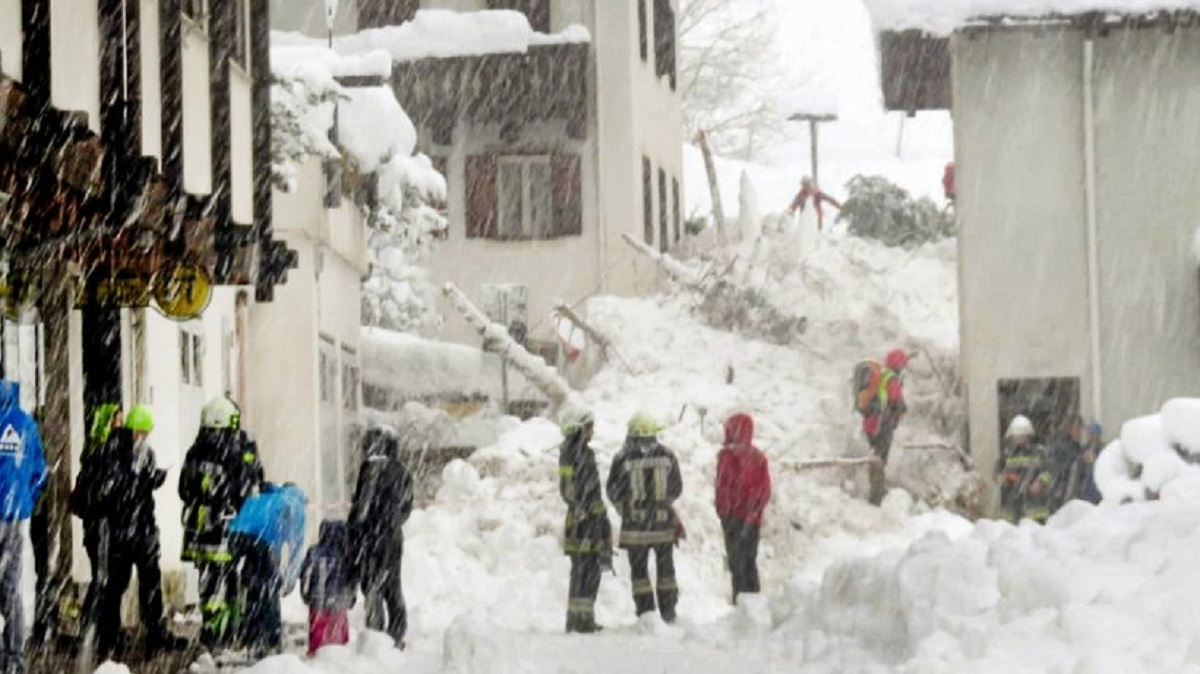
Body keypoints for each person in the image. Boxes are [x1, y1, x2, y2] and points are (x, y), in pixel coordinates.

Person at [79, 404, 184, 661]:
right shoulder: (131, 452)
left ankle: (110, 636)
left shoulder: (106, 450)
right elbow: (125, 490)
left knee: (116, 585)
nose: (145, 438)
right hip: (138, 530)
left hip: (120, 532)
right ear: (137, 430)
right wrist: (150, 480)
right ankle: (153, 635)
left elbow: (113, 489)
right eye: (144, 432)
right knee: (146, 584)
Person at [179, 395, 264, 651]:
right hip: (225, 529)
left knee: (209, 582)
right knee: (229, 579)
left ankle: (212, 628)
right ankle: (230, 630)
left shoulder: (195, 451)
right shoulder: (235, 450)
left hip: (198, 530)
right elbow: (249, 487)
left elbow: (183, 489)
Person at [606, 413, 682, 623]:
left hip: (635, 529)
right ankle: (668, 612)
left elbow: (613, 490)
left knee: (639, 573)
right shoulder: (668, 456)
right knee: (666, 571)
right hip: (662, 527)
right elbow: (676, 487)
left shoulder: (622, 458)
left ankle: (646, 612)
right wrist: (663, 504)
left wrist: (626, 508)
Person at [348, 428, 414, 648]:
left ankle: (376, 633)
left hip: (371, 534)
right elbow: (407, 506)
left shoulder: (371, 468)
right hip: (392, 535)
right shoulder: (403, 471)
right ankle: (397, 632)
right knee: (393, 584)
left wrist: (355, 529)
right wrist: (392, 520)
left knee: (371, 583)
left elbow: (361, 508)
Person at [227, 482, 306, 657]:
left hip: (239, 535)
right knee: (269, 589)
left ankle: (252, 637)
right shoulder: (297, 506)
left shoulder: (270, 498)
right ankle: (271, 640)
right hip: (263, 539)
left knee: (253, 584)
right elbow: (296, 547)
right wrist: (290, 579)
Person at [0, 382, 46, 674]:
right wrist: (25, 497)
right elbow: (40, 472)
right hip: (14, 517)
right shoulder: (25, 423)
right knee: (11, 586)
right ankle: (15, 659)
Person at [557, 409, 612, 634]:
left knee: (590, 570)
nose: (592, 431)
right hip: (583, 523)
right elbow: (568, 489)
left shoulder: (579, 453)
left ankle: (584, 617)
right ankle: (578, 620)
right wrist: (584, 509)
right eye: (589, 427)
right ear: (580, 428)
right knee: (583, 570)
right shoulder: (574, 453)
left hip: (590, 521)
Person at [715, 413, 771, 605]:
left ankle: (740, 602)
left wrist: (724, 513)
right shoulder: (759, 457)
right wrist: (754, 511)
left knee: (736, 564)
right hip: (751, 519)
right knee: (749, 562)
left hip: (733, 519)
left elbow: (723, 487)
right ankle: (755, 602)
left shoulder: (727, 456)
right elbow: (765, 490)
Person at [300, 520, 356, 656]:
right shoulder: (346, 555)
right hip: (339, 604)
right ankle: (339, 661)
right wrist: (351, 597)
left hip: (317, 601)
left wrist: (305, 594)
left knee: (317, 638)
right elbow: (352, 579)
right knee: (339, 638)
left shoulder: (313, 552)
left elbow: (305, 575)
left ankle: (316, 660)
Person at [862, 349, 909, 506]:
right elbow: (895, 401)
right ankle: (877, 493)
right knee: (880, 458)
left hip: (872, 423)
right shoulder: (892, 379)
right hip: (883, 424)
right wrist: (902, 408)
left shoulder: (881, 375)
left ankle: (876, 488)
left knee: (876, 454)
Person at [996, 415, 1053, 524]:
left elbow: (1050, 470)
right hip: (1012, 508)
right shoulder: (1007, 454)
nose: (1019, 438)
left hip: (1034, 509)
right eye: (1017, 436)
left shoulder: (1039, 452)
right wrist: (1002, 477)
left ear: (1029, 435)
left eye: (1022, 435)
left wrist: (1040, 482)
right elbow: (997, 471)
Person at [1049, 415, 1086, 512]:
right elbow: (1061, 468)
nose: (1080, 432)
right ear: (1069, 429)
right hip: (1061, 493)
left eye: (1081, 428)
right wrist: (1080, 460)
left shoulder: (1079, 448)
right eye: (1077, 428)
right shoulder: (1061, 447)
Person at [1078, 423, 1104, 504]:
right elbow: (1079, 468)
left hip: (1098, 488)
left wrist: (1095, 461)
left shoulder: (1103, 449)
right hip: (1086, 487)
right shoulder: (1084, 449)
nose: (1089, 435)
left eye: (1091, 433)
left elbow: (1105, 467)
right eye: (1089, 433)